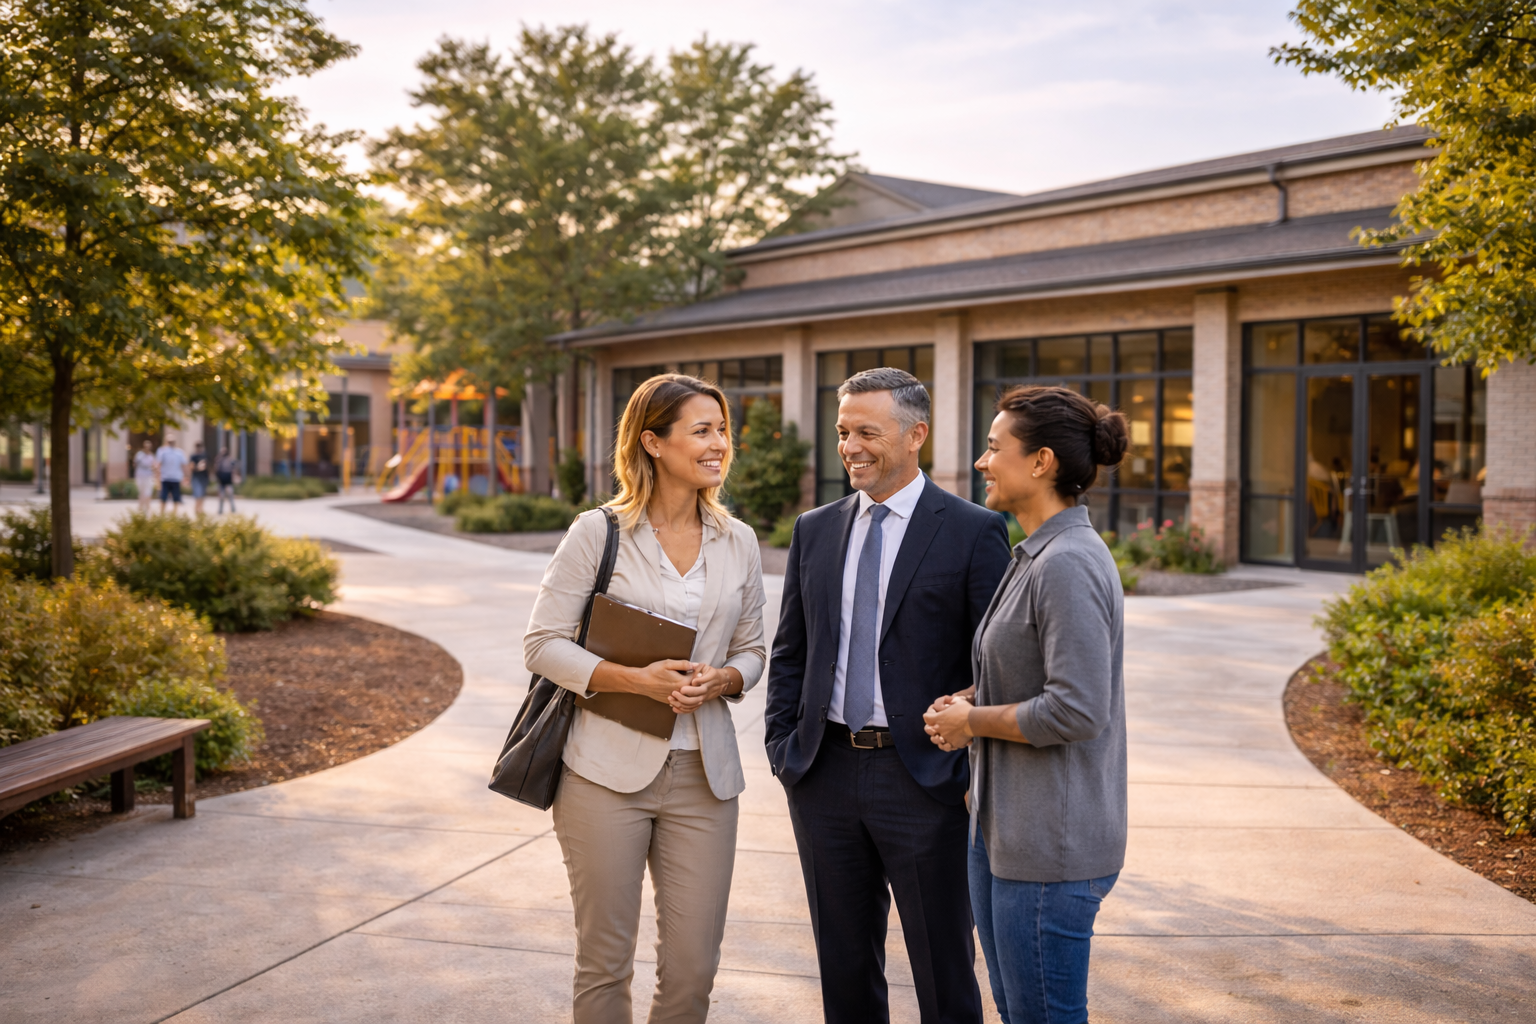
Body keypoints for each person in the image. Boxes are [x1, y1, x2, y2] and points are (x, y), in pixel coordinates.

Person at [765, 367, 1012, 1024]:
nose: (850, 446)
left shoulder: (972, 531)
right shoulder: (814, 529)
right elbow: (792, 650)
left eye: (867, 432)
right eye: (844, 431)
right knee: (843, 969)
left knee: (943, 970)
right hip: (823, 771)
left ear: (915, 435)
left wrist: (962, 754)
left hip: (924, 779)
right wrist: (784, 750)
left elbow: (1001, 663)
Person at [523, 373, 766, 1024]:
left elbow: (753, 649)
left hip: (705, 780)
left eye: (722, 431)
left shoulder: (738, 541)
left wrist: (727, 678)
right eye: (702, 431)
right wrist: (637, 680)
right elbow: (543, 644)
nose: (719, 445)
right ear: (653, 443)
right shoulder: (596, 534)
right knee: (604, 962)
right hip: (602, 775)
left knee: (693, 969)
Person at [923, 385, 1130, 1024]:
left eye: (993, 448)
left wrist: (971, 722)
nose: (982, 463)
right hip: (1004, 832)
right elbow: (1038, 675)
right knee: (1019, 1011)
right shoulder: (1034, 554)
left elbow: (1077, 709)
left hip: (1050, 846)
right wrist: (974, 698)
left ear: (1040, 462)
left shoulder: (1067, 562)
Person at [155, 435, 188, 512]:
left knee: (175, 498)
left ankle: (173, 516)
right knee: (164, 498)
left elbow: (184, 465)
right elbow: (158, 465)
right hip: (166, 478)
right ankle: (162, 515)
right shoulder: (163, 451)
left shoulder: (178, 452)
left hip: (174, 478)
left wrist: (186, 476)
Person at [132, 439, 157, 513]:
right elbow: (134, 464)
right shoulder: (139, 455)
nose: (147, 448)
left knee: (148, 492)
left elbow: (154, 466)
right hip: (140, 476)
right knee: (141, 492)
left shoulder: (151, 456)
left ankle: (147, 507)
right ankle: (140, 508)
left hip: (149, 476)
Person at [216, 446, 240, 513]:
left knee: (230, 495)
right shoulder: (219, 459)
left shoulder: (230, 459)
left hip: (228, 480)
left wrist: (234, 477)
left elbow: (234, 469)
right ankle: (220, 510)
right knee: (221, 496)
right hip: (222, 481)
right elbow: (217, 470)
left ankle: (233, 509)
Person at [188, 442, 210, 515]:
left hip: (204, 477)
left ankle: (200, 509)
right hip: (196, 477)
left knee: (202, 495)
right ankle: (197, 510)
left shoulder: (204, 455)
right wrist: (198, 467)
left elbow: (207, 466)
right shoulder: (193, 456)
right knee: (198, 494)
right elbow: (191, 467)